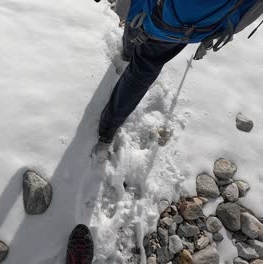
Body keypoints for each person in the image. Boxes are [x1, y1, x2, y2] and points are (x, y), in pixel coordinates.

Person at [92, 0, 263, 162]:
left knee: (139, 32)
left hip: (155, 16)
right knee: (147, 64)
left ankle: (128, 54)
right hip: (196, 27)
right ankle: (108, 129)